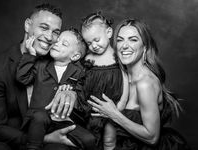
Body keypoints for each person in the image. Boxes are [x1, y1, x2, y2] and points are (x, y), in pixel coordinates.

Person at [0, 3, 79, 150]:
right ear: (27, 25)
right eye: (44, 28)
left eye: (56, 32)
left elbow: (81, 72)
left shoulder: (57, 60)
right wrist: (41, 139)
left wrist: (72, 92)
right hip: (7, 142)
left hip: (48, 136)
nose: (49, 37)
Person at [88, 18, 191, 150]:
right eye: (120, 40)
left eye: (133, 39)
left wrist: (114, 114)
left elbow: (152, 137)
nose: (124, 45)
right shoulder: (119, 75)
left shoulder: (145, 83)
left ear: (145, 47)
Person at [16, 28, 95, 150]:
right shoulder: (41, 64)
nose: (56, 43)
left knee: (89, 140)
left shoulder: (79, 72)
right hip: (38, 119)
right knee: (39, 117)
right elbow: (22, 78)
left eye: (64, 44)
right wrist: (30, 55)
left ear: (75, 56)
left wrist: (71, 92)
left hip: (63, 120)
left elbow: (81, 97)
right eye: (57, 40)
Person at [80, 12, 129, 150]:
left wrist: (121, 105)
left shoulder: (119, 57)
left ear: (108, 32)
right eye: (89, 43)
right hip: (90, 109)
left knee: (109, 140)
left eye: (96, 40)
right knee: (90, 140)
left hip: (112, 107)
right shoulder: (88, 58)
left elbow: (126, 81)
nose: (93, 45)